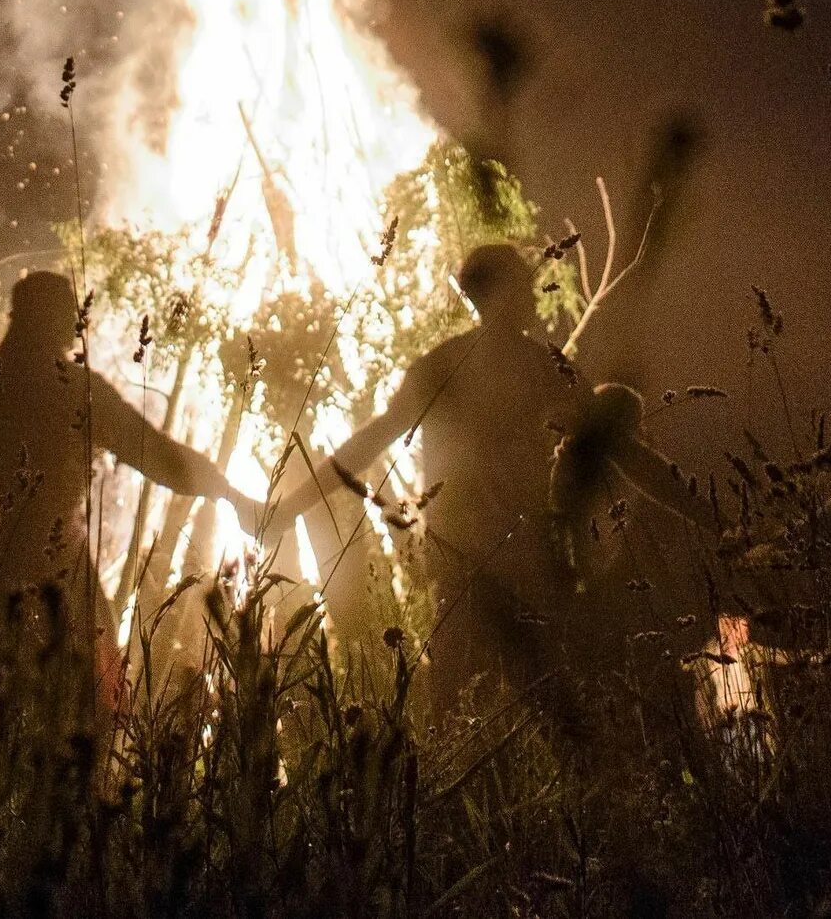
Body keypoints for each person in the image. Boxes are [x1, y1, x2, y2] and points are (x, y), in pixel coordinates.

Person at [282, 243, 706, 719]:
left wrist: (285, 509)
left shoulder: (482, 366)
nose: (529, 296)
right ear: (494, 292)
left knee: (491, 715)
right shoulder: (531, 367)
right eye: (521, 283)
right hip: (498, 569)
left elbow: (368, 442)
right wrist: (288, 507)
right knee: (513, 716)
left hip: (498, 565)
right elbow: (367, 443)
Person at [0, 269, 261, 742]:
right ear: (62, 324)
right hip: (65, 580)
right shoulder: (72, 390)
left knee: (7, 729)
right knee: (80, 731)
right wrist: (231, 494)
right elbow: (163, 460)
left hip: (7, 580)